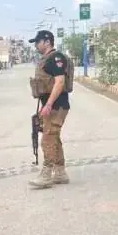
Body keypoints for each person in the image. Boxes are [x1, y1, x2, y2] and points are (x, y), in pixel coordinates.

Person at [27, 30, 73, 189]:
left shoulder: (55, 58)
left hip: (56, 106)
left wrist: (48, 105)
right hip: (52, 105)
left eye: (37, 42)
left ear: (47, 42)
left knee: (48, 139)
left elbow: (60, 82)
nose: (36, 45)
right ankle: (60, 172)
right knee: (54, 137)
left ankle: (47, 174)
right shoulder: (47, 59)